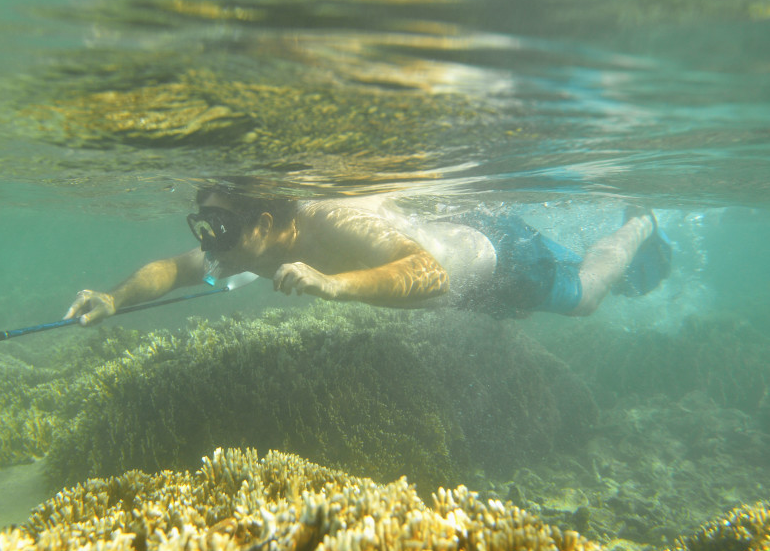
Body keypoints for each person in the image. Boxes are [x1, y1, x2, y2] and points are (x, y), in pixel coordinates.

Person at [65, 186, 671, 324]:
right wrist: (114, 298)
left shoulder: (328, 220)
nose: (207, 244)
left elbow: (430, 273)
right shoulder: (249, 248)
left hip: (502, 260)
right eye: (203, 227)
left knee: (587, 296)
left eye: (218, 229)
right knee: (578, 282)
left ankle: (640, 223)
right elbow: (174, 268)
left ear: (267, 221)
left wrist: (335, 286)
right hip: (468, 276)